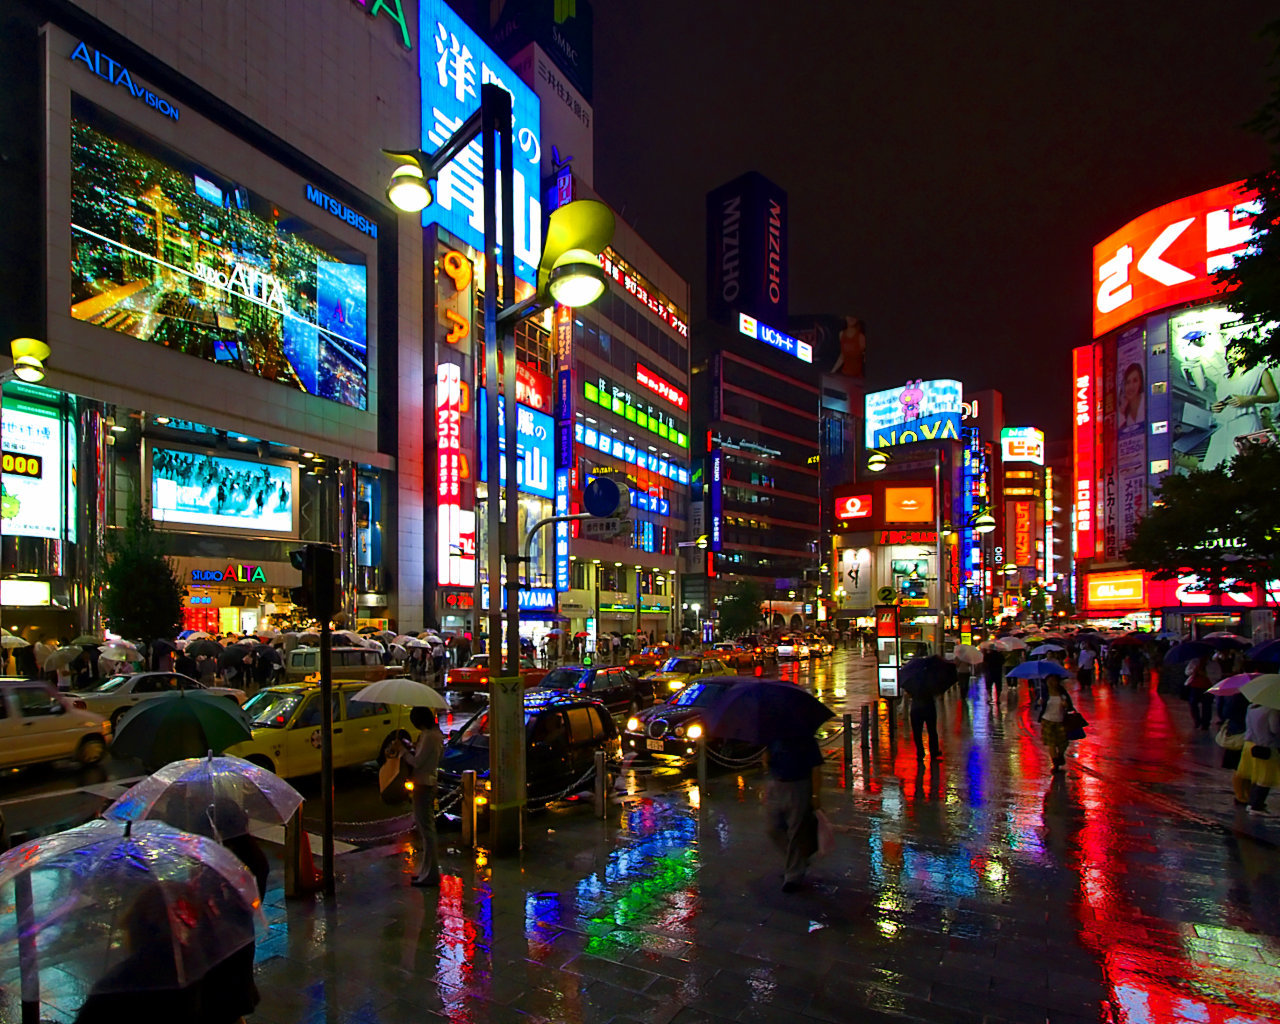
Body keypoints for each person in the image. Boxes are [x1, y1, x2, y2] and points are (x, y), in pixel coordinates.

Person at [763, 733, 824, 893]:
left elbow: (816, 767)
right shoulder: (773, 737)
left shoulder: (806, 738)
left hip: (798, 785)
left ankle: (793, 875)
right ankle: (799, 859)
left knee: (796, 829)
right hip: (777, 785)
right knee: (773, 828)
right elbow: (767, 761)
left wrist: (815, 795)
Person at [394, 706, 444, 886]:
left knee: (426, 830)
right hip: (427, 783)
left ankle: (430, 874)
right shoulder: (434, 735)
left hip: (424, 784)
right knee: (425, 830)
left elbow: (417, 762)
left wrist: (403, 751)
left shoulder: (430, 736)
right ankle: (426, 871)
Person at [1233, 703, 1280, 814]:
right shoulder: (1272, 710)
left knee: (1256, 776)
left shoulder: (1251, 707)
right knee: (1265, 778)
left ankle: (1252, 803)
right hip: (1268, 746)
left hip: (1252, 745)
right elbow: (1275, 729)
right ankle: (1256, 806)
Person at [1039, 676, 1078, 773]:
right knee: (1051, 744)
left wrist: (1066, 705)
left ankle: (1060, 756)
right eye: (1049, 681)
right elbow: (1038, 704)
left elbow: (1069, 707)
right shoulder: (1044, 692)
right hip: (1047, 721)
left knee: (1063, 743)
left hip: (1061, 721)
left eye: (1053, 680)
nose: (1051, 683)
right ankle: (1055, 764)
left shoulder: (1062, 692)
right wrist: (1039, 703)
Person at [909, 685, 941, 762]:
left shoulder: (913, 681)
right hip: (929, 706)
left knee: (917, 732)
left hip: (916, 707)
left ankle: (920, 751)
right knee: (932, 730)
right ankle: (934, 752)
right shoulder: (930, 680)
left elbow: (909, 693)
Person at [1185, 656, 1215, 731]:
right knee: (1193, 703)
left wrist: (1206, 674)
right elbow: (1187, 672)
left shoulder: (1213, 664)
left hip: (1207, 686)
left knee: (1207, 705)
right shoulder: (1194, 662)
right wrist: (1194, 670)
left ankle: (1205, 723)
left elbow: (1217, 674)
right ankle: (1197, 721)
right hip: (1195, 686)